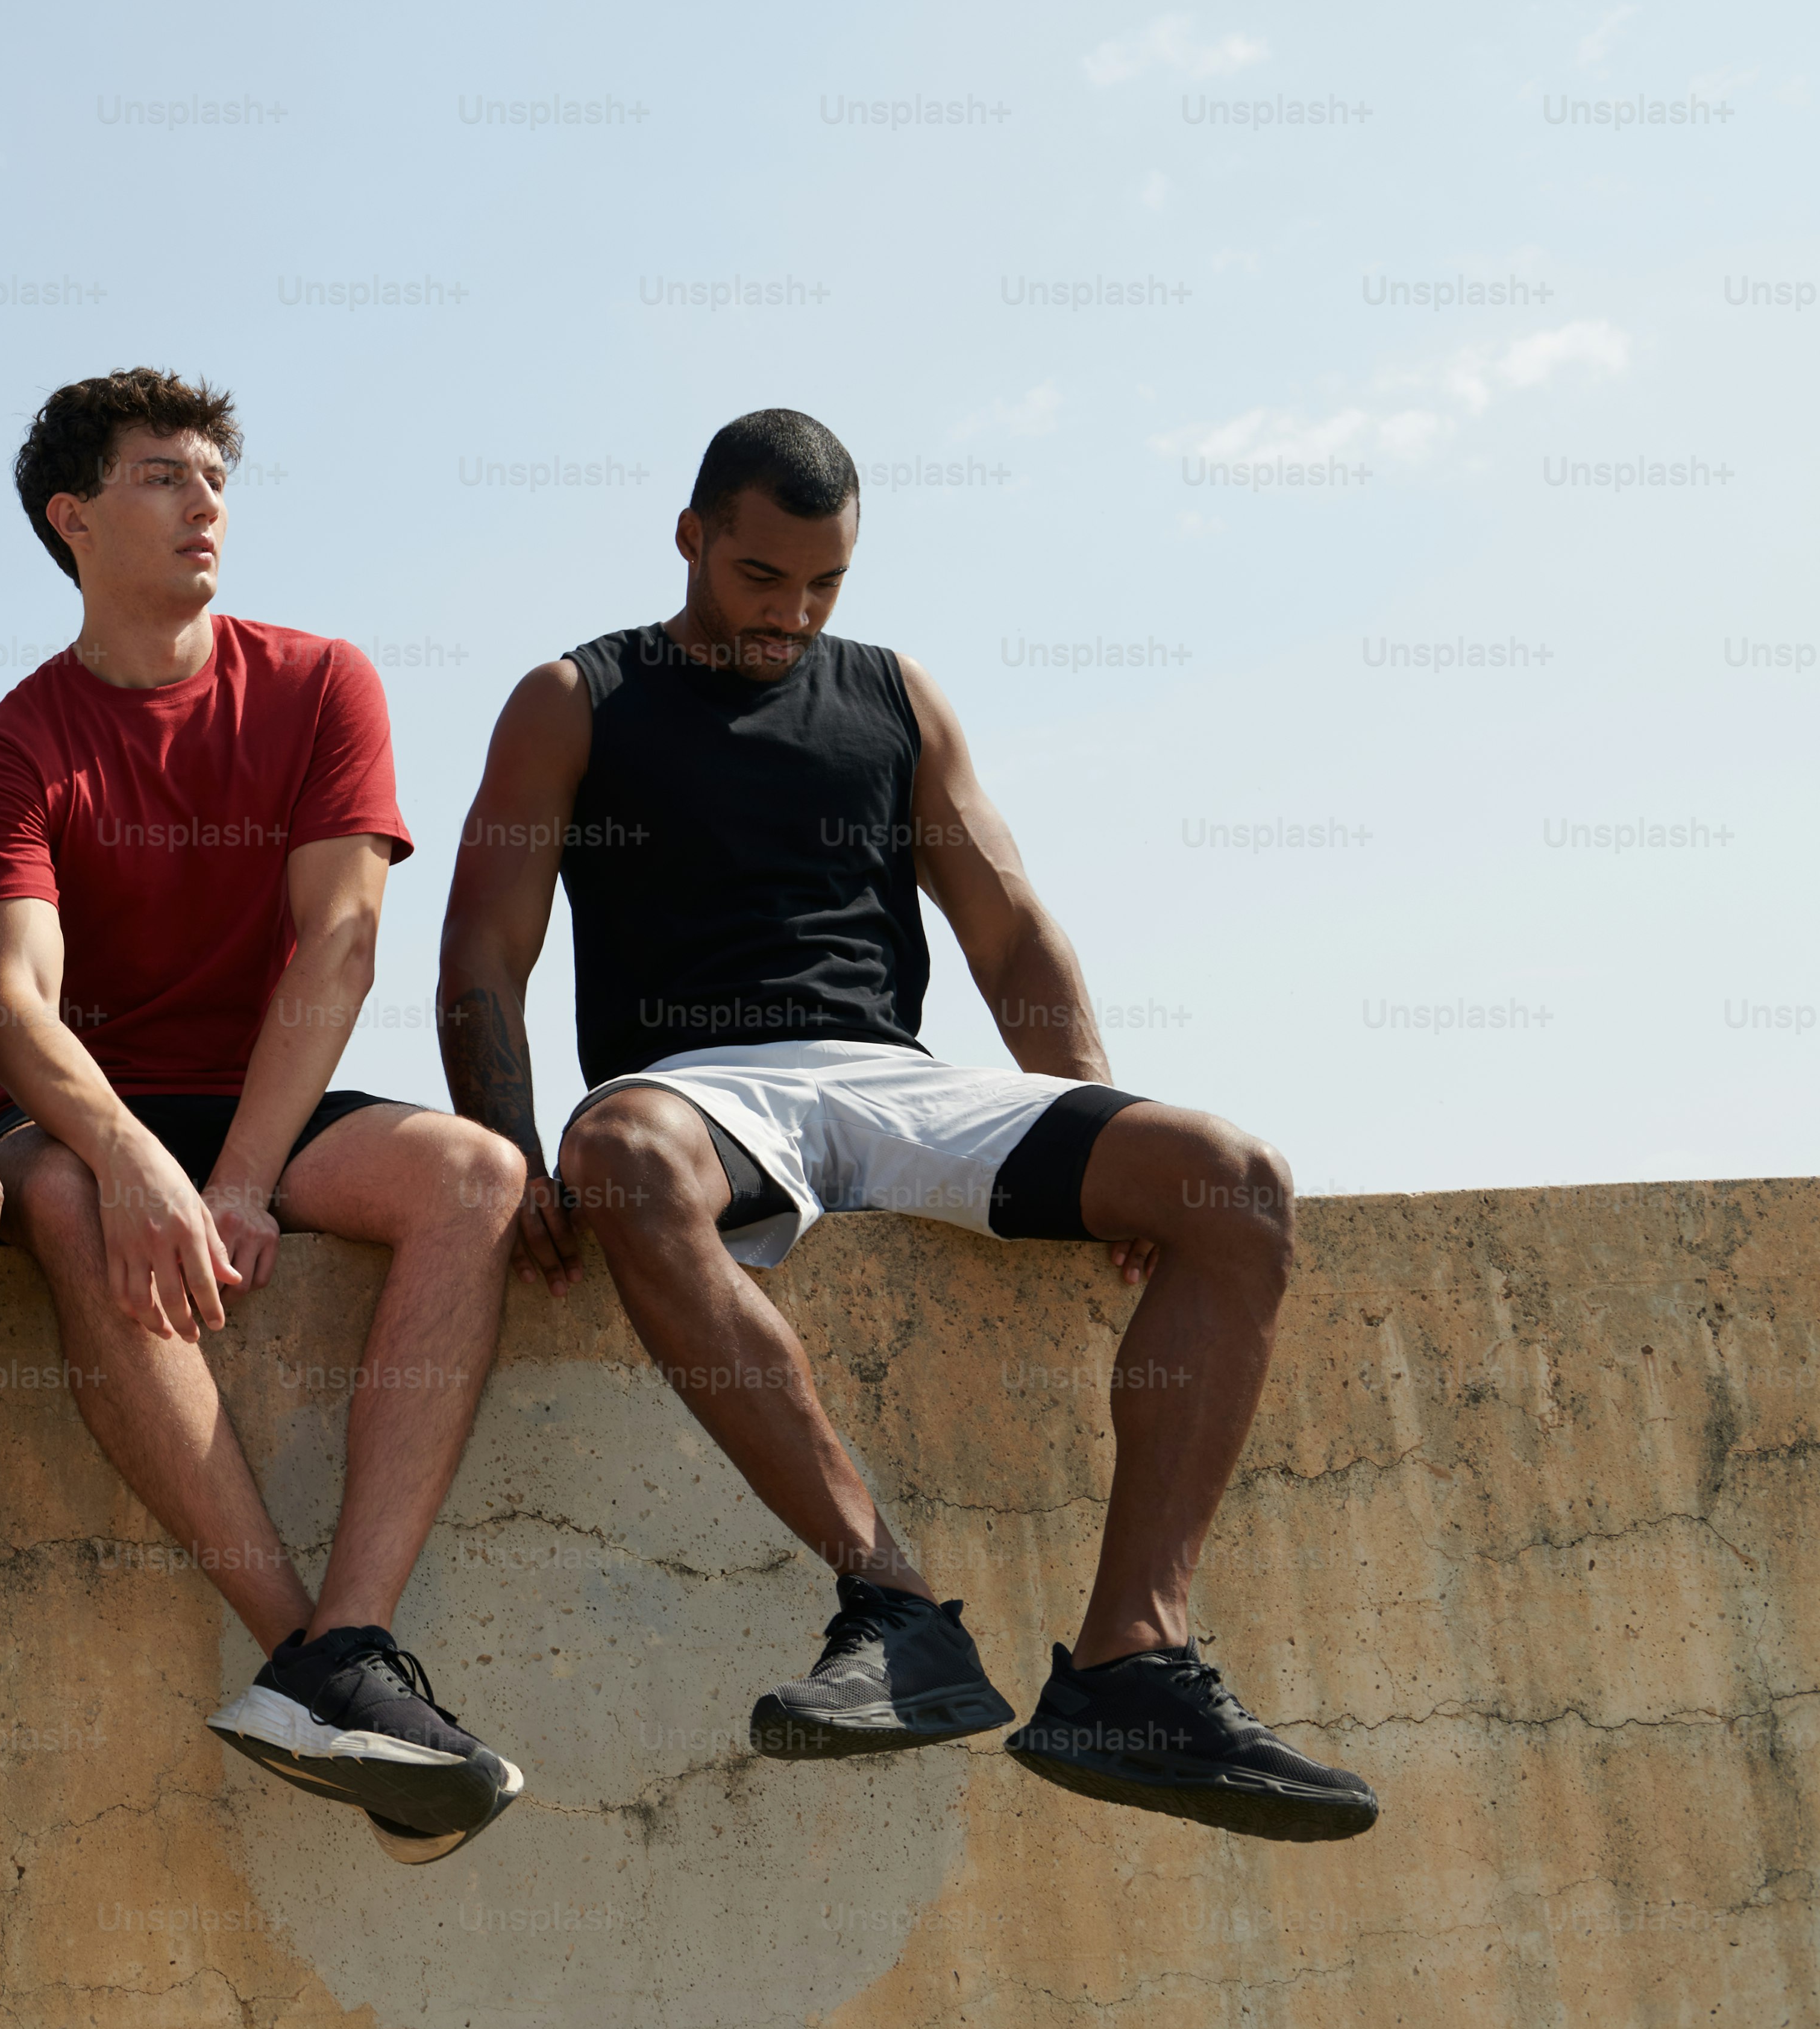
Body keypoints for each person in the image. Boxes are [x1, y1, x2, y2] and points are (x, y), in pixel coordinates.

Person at [434, 406, 1377, 1843]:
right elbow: (481, 956)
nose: (791, 614)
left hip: (894, 1071)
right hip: (698, 1082)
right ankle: (892, 1605)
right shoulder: (578, 695)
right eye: (762, 578)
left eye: (824, 585)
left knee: (1234, 1179)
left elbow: (1009, 934)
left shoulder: (893, 695)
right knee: (618, 1157)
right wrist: (510, 1151)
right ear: (691, 537)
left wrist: (1089, 1113)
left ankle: (1134, 1662)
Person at [0, 366, 533, 1868]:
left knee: (477, 1174)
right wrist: (146, 1160)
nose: (206, 498)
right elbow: (15, 1009)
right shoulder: (15, 742)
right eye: (163, 476)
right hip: (100, 1110)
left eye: (216, 474)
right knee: (71, 1197)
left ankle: (349, 1637)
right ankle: (318, 1669)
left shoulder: (323, 677)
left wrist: (239, 1179)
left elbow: (341, 943)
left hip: (267, 1094)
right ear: (72, 518)